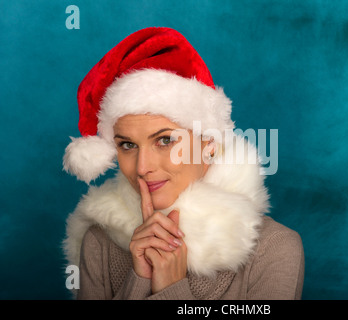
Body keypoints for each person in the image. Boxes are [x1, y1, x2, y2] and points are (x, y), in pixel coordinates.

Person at [62, 27, 304, 299]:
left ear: (208, 144)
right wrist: (140, 278)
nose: (142, 168)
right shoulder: (100, 242)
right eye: (128, 145)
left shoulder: (274, 248)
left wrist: (171, 288)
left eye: (165, 141)